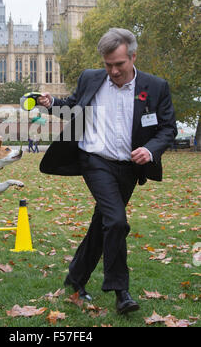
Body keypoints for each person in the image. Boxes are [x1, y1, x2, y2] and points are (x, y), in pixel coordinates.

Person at [38, 28, 177, 315]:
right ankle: (120, 291)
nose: (113, 71)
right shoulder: (91, 78)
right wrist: (52, 104)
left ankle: (75, 277)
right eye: (108, 64)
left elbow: (167, 128)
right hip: (95, 161)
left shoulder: (155, 87)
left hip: (129, 167)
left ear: (133, 57)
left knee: (103, 224)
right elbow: (74, 107)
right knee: (116, 222)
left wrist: (150, 150)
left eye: (119, 64)